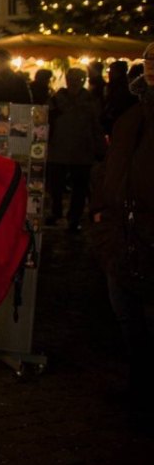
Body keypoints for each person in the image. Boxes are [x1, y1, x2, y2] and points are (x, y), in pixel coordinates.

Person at [89, 42, 154, 432]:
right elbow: (111, 167)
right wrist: (101, 212)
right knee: (128, 320)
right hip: (121, 238)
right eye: (149, 60)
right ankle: (139, 388)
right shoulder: (131, 116)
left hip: (147, 236)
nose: (152, 67)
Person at [46, 67, 105, 234]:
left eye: (77, 79)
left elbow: (96, 126)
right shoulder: (56, 99)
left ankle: (74, 217)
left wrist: (100, 148)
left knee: (79, 187)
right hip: (59, 149)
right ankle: (56, 211)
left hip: (81, 150)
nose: (73, 82)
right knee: (56, 186)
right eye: (71, 78)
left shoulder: (90, 100)